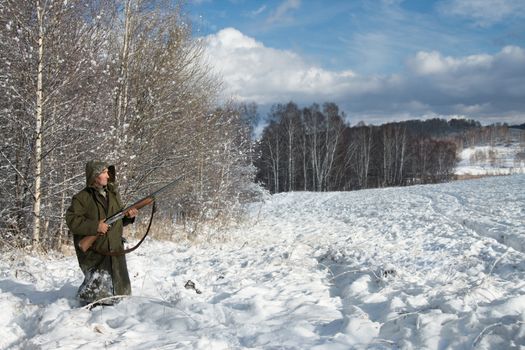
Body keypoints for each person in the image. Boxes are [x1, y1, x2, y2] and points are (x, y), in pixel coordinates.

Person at [66, 160, 138, 305]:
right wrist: (95, 227)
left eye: (107, 172)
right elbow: (72, 220)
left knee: (120, 293)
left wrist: (129, 217)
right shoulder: (82, 198)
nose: (108, 176)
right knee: (95, 296)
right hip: (97, 251)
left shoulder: (112, 194)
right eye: (104, 172)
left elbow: (117, 220)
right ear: (95, 175)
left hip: (115, 249)